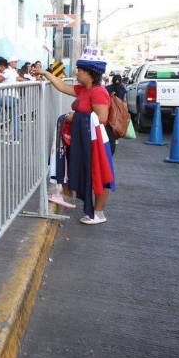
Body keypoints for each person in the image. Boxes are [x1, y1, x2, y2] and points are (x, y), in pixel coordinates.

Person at [32, 47, 114, 225]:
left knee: (101, 175)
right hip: (85, 139)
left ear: (89, 72)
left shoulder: (98, 92)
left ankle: (99, 213)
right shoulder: (84, 89)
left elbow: (101, 118)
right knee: (87, 171)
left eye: (79, 70)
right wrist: (45, 73)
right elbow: (63, 86)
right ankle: (76, 201)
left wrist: (75, 116)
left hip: (97, 141)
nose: (77, 73)